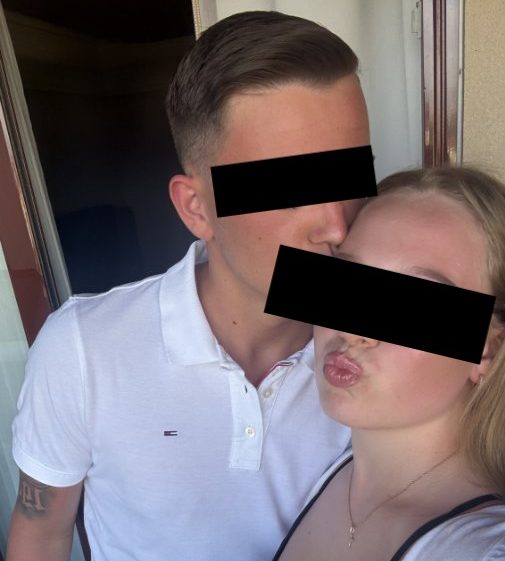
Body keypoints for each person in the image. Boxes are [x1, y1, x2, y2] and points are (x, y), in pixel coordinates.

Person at [6, 11, 371, 561]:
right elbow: (41, 532)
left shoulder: (395, 332)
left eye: (349, 176)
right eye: (289, 187)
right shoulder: (82, 349)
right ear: (196, 208)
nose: (337, 226)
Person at [272, 166, 505, 561]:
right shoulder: (325, 471)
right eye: (346, 281)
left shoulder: (481, 548)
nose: (352, 331)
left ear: (488, 350)